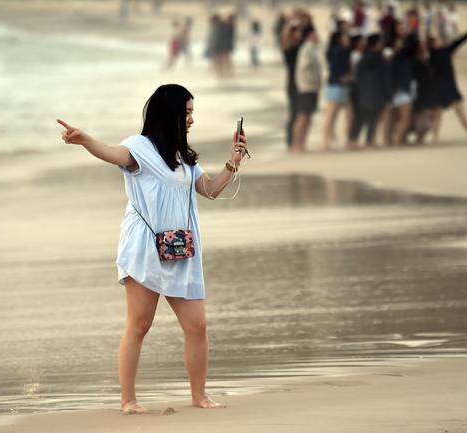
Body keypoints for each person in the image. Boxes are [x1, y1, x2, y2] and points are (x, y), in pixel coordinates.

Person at [56, 84, 248, 413]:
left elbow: (211, 190)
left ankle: (199, 396)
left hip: (181, 249)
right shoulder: (139, 148)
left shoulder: (184, 158)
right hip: (145, 247)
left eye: (192, 113)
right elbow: (111, 152)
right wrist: (85, 140)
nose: (191, 119)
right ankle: (128, 400)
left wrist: (233, 162)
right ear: (168, 112)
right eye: (186, 112)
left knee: (197, 325)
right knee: (140, 324)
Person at [428, 28, 467, 144]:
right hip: (439, 88)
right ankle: (435, 138)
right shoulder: (430, 57)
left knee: (460, 112)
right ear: (432, 44)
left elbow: (458, 42)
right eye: (436, 41)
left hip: (449, 87)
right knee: (437, 115)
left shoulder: (445, 51)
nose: (438, 42)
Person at [350, 33, 391, 147]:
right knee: (372, 118)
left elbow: (358, 77)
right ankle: (369, 141)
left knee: (361, 118)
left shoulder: (365, 58)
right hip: (375, 94)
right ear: (376, 44)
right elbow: (384, 78)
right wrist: (388, 95)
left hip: (362, 94)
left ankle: (355, 140)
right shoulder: (379, 59)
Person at [292, 25, 321, 153]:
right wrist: (308, 82)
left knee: (308, 116)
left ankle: (302, 144)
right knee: (303, 116)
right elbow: (304, 67)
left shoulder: (313, 49)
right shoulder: (307, 49)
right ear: (310, 35)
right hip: (306, 87)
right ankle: (296, 145)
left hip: (311, 87)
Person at [322, 30, 351, 150]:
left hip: (338, 84)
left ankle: (332, 138)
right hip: (336, 85)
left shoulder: (341, 51)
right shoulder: (337, 51)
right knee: (331, 114)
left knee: (336, 114)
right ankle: (326, 141)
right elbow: (334, 68)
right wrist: (342, 77)